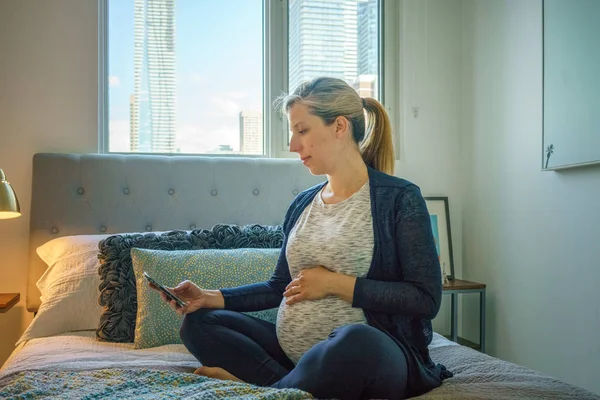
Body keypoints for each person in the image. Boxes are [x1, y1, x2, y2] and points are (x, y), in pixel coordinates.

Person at [152, 76, 452, 399]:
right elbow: (278, 287)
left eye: (302, 130)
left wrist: (335, 284)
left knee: (355, 341)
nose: (294, 146)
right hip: (293, 355)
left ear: (339, 127)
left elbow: (426, 298)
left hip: (373, 355)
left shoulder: (399, 199)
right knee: (197, 323)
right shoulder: (302, 204)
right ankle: (285, 387)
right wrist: (210, 297)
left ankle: (264, 391)